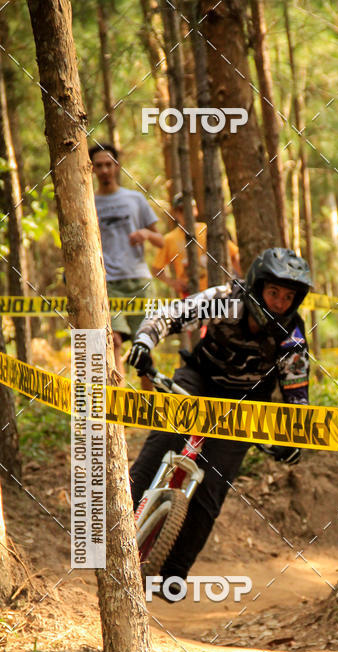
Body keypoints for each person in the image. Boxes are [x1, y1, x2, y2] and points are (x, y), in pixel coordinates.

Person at [128, 247, 311, 587]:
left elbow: (296, 395)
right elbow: (171, 315)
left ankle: (173, 575)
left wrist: (293, 439)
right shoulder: (225, 300)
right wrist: (143, 342)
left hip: (245, 406)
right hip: (199, 380)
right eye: (274, 293)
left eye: (288, 297)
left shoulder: (293, 337)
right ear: (257, 286)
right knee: (160, 445)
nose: (280, 303)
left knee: (212, 487)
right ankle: (111, 538)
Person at [90, 142, 164, 374]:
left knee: (144, 347)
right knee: (113, 341)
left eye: (108, 164)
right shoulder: (88, 202)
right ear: (91, 169)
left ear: (117, 166)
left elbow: (161, 240)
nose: (104, 170)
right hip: (107, 283)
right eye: (99, 165)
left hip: (139, 282)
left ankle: (147, 396)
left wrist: (146, 234)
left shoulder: (135, 199)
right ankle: (118, 395)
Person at [151, 192, 241, 296]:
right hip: (189, 294)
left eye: (189, 209)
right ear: (175, 213)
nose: (185, 214)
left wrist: (243, 280)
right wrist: (173, 283)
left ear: (195, 210)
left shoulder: (208, 231)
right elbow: (156, 269)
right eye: (181, 210)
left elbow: (234, 256)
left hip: (216, 290)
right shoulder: (169, 239)